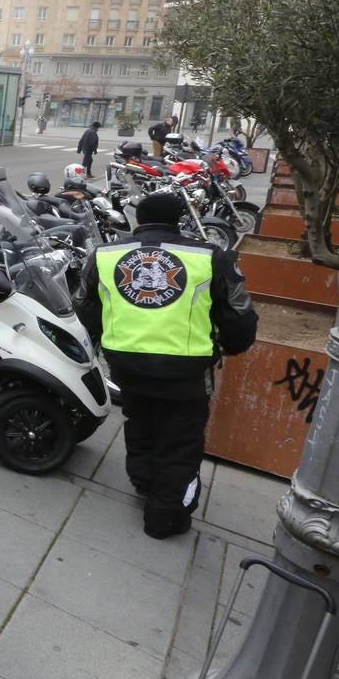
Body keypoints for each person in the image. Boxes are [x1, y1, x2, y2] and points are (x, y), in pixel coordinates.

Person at [78, 191, 257, 539]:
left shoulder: (105, 255)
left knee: (139, 420)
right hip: (185, 371)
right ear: (180, 220)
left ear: (139, 219)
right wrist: (233, 347)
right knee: (180, 440)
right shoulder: (210, 257)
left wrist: (104, 339)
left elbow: (85, 307)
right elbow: (238, 314)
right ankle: (165, 517)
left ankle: (144, 480)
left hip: (125, 363)